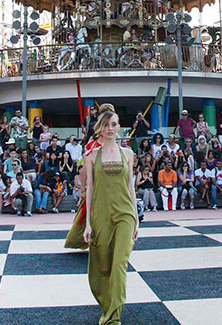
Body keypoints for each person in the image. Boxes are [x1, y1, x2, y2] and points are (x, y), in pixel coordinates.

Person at [79, 103, 138, 325]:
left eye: (114, 124)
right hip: (101, 215)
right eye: (106, 125)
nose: (110, 129)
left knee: (119, 263)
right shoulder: (91, 156)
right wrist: (88, 224)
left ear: (119, 127)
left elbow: (131, 187)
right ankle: (108, 304)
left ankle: (113, 318)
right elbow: (90, 190)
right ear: (100, 129)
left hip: (125, 215)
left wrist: (136, 219)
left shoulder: (128, 154)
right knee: (102, 267)